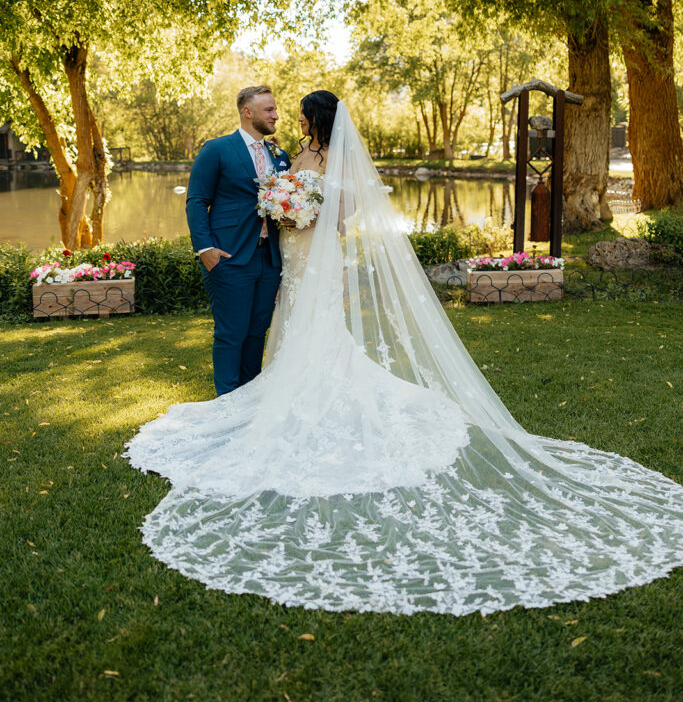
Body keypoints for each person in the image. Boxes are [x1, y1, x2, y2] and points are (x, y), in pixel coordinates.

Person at [127, 95, 683, 617]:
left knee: (313, 327)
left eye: (297, 114)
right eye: (277, 111)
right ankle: (261, 392)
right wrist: (283, 209)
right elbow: (257, 196)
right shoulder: (284, 153)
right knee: (277, 328)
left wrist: (304, 210)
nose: (289, 119)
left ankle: (300, 392)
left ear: (315, 120)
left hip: (312, 252)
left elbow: (343, 211)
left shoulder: (327, 156)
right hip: (287, 255)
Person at [185, 85, 290, 396]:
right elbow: (196, 201)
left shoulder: (279, 155)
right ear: (248, 112)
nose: (275, 115)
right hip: (228, 256)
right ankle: (227, 403)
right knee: (231, 333)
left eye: (275, 109)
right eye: (269, 109)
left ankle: (249, 399)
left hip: (269, 259)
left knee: (257, 332)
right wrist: (206, 249)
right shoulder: (217, 149)